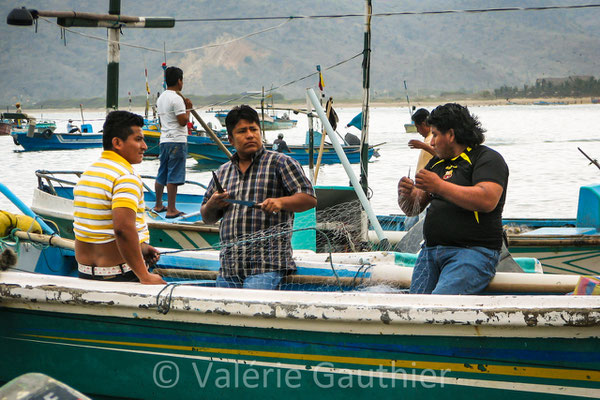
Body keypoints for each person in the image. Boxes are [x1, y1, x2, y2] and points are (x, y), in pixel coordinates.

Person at [201, 105, 316, 290]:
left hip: (267, 265)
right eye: (242, 131)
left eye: (254, 129)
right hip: (230, 267)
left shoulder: (281, 163)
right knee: (225, 314)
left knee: (250, 309)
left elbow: (309, 199)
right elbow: (207, 218)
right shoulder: (223, 172)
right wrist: (213, 204)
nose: (250, 135)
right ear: (230, 139)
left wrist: (280, 202)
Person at [397, 103, 509, 295]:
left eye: (435, 135)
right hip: (430, 252)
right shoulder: (437, 162)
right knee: (413, 306)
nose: (431, 143)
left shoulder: (486, 158)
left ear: (451, 135)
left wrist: (439, 185)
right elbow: (413, 209)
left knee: (437, 304)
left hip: (473, 252)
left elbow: (487, 199)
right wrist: (406, 195)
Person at [73, 111, 165, 284]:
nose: (145, 146)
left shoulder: (89, 173)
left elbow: (100, 229)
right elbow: (122, 229)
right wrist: (144, 276)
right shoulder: (125, 176)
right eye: (138, 139)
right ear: (117, 142)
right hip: (119, 274)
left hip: (85, 273)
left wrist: (141, 247)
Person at [153, 66, 192, 218]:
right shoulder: (177, 98)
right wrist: (188, 109)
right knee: (173, 175)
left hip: (164, 140)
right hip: (177, 140)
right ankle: (171, 209)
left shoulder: (161, 97)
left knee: (162, 172)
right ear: (179, 81)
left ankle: (158, 204)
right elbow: (183, 121)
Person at [403, 108, 433, 230]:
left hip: (427, 190)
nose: (417, 131)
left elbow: (440, 154)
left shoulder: (433, 138)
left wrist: (422, 146)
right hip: (418, 188)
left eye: (417, 127)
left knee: (421, 224)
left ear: (424, 124)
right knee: (409, 223)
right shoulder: (428, 138)